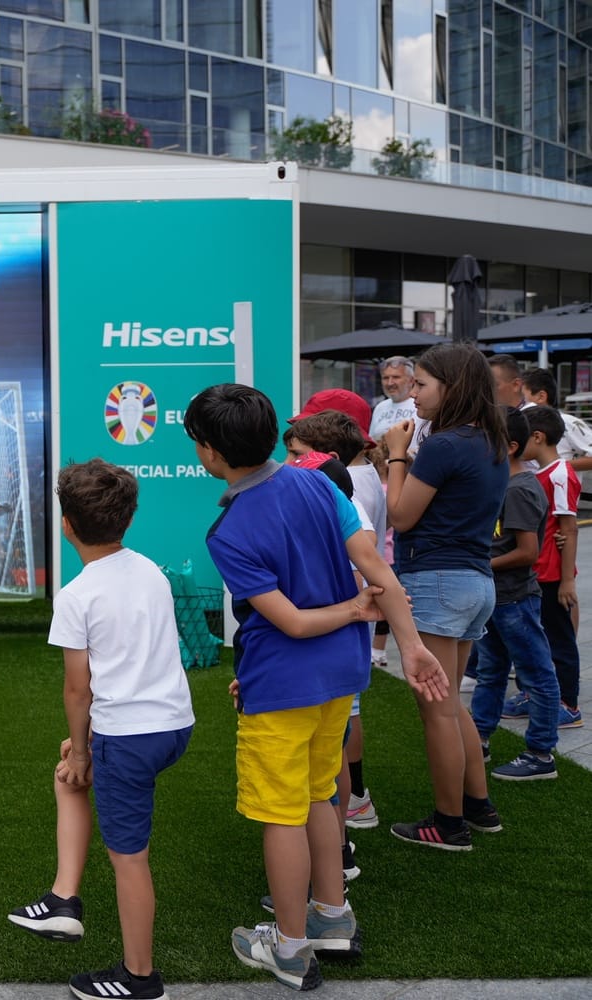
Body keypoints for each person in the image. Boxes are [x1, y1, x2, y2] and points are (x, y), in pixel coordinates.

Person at [184, 384, 447, 992]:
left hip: (282, 685)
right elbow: (377, 570)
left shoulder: (228, 531)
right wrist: (409, 644)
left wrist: (356, 611)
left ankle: (291, 948)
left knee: (281, 813)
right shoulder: (320, 484)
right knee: (320, 794)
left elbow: (295, 623)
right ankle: (333, 916)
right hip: (340, 677)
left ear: (211, 452)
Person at [6, 460, 194, 1000]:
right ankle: (62, 899)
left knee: (129, 859)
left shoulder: (76, 595)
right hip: (173, 726)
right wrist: (82, 749)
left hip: (128, 736)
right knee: (67, 775)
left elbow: (77, 690)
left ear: (67, 525)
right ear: (128, 519)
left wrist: (86, 750)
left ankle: (141, 978)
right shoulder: (152, 572)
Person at [380, 342, 509, 851]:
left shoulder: (445, 444)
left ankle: (449, 824)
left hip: (437, 580)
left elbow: (400, 515)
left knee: (437, 709)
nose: (412, 394)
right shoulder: (488, 440)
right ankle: (478, 806)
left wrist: (396, 455)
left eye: (421, 384)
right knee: (451, 702)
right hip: (475, 581)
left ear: (451, 388)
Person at [285, 406, 384, 843]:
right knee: (323, 756)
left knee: (330, 757)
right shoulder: (337, 501)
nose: (288, 464)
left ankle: (338, 841)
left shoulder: (347, 509)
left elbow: (366, 575)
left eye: (296, 454)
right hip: (329, 649)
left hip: (332, 650)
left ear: (327, 461)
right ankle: (334, 846)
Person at [468, 406, 561, 780]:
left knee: (536, 673)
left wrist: (480, 564)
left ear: (509, 446)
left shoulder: (520, 489)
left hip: (516, 600)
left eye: (483, 438)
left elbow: (527, 552)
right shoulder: (500, 484)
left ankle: (541, 753)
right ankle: (479, 738)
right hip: (496, 598)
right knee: (490, 671)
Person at [512, 405, 582, 729]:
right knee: (536, 640)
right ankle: (534, 694)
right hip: (537, 574)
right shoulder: (538, 474)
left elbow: (569, 528)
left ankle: (568, 704)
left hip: (552, 576)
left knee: (560, 640)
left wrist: (567, 581)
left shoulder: (559, 474)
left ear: (537, 437)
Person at [521, 367, 592, 473]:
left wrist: (556, 466)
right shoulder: (520, 423)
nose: (518, 401)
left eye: (521, 396)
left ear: (541, 396)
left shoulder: (567, 422)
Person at [369, 356, 417, 442]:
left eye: (396, 377)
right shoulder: (380, 407)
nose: (390, 383)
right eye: (385, 378)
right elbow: (372, 441)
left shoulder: (419, 405)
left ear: (411, 380)